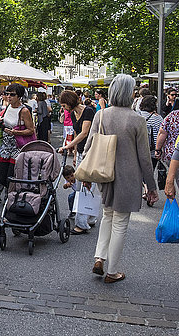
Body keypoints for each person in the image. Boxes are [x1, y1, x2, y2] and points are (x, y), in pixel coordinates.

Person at [87, 74, 157, 283]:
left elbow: (90, 145)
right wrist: (151, 186)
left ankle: (99, 257)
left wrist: (86, 173)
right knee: (120, 223)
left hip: (104, 173)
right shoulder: (137, 119)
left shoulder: (101, 115)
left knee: (107, 215)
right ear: (130, 93)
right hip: (128, 177)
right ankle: (112, 271)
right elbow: (145, 158)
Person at [58, 90, 96, 234]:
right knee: (87, 187)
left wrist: (67, 146)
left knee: (83, 187)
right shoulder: (73, 113)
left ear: (70, 102)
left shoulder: (89, 111)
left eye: (64, 105)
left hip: (90, 152)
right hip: (81, 152)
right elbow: (75, 132)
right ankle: (90, 218)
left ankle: (81, 224)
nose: (63, 108)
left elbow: (85, 132)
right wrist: (74, 152)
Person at [0, 83, 35, 203]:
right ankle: (6, 195)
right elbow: (4, 124)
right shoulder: (6, 108)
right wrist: (0, 123)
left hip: (17, 145)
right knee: (2, 174)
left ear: (19, 96)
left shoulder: (24, 110)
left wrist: (15, 132)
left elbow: (31, 130)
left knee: (11, 175)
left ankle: (9, 198)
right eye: (7, 94)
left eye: (12, 94)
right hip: (5, 145)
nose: (9, 97)